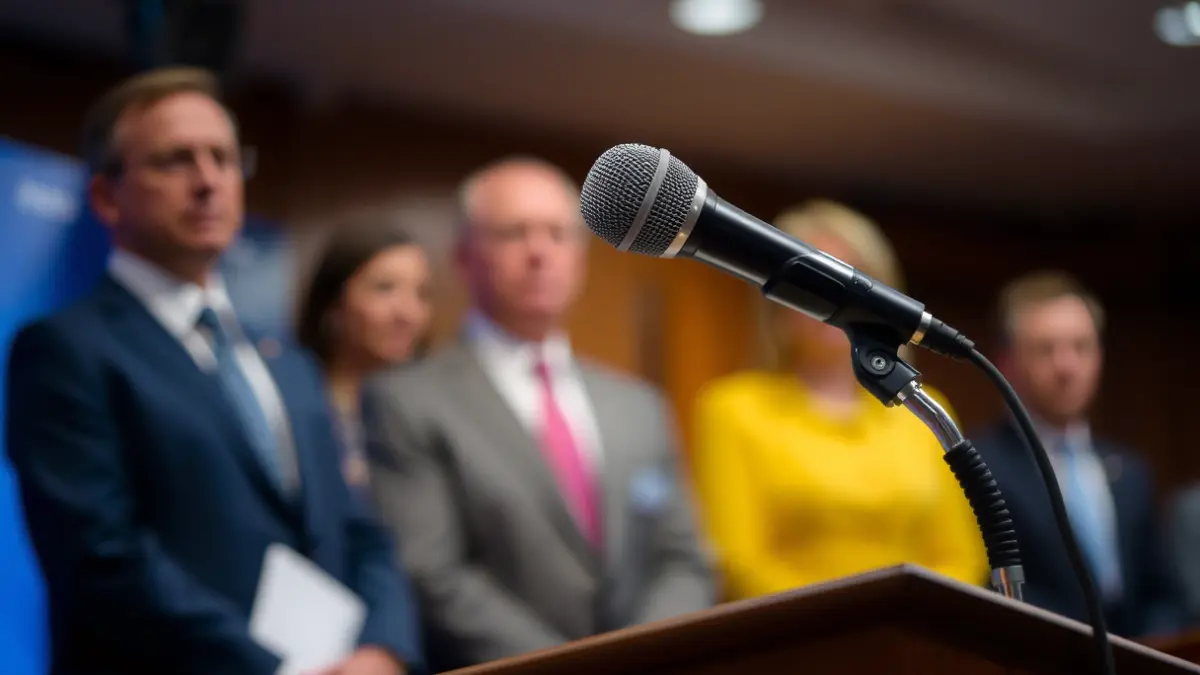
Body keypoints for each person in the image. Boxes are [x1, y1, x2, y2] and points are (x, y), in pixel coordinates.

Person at [4, 67, 425, 675]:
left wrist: (382, 651)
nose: (208, 181)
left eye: (224, 159)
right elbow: (101, 559)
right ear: (105, 196)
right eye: (175, 161)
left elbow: (360, 531)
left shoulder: (290, 363)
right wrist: (274, 668)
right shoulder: (66, 349)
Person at [363, 156, 715, 670]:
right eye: (513, 233)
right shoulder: (408, 400)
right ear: (464, 257)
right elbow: (431, 573)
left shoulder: (639, 405)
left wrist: (644, 654)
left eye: (559, 233)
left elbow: (682, 558)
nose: (540, 252)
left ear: (582, 256)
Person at [692, 200, 988, 601]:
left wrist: (906, 624)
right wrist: (852, 626)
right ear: (775, 297)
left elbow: (963, 556)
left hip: (916, 643)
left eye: (851, 280)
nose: (833, 302)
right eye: (814, 282)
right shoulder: (733, 408)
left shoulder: (926, 408)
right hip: (794, 644)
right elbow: (737, 561)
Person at [971, 270, 1182, 637]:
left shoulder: (1130, 470)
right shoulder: (978, 464)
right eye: (1045, 349)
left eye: (1081, 346)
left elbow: (1163, 594)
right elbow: (986, 590)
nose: (1066, 366)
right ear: (1006, 363)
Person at [297, 223, 433, 496]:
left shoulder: (439, 406)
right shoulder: (295, 405)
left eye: (421, 293)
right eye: (384, 289)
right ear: (333, 304)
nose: (407, 313)